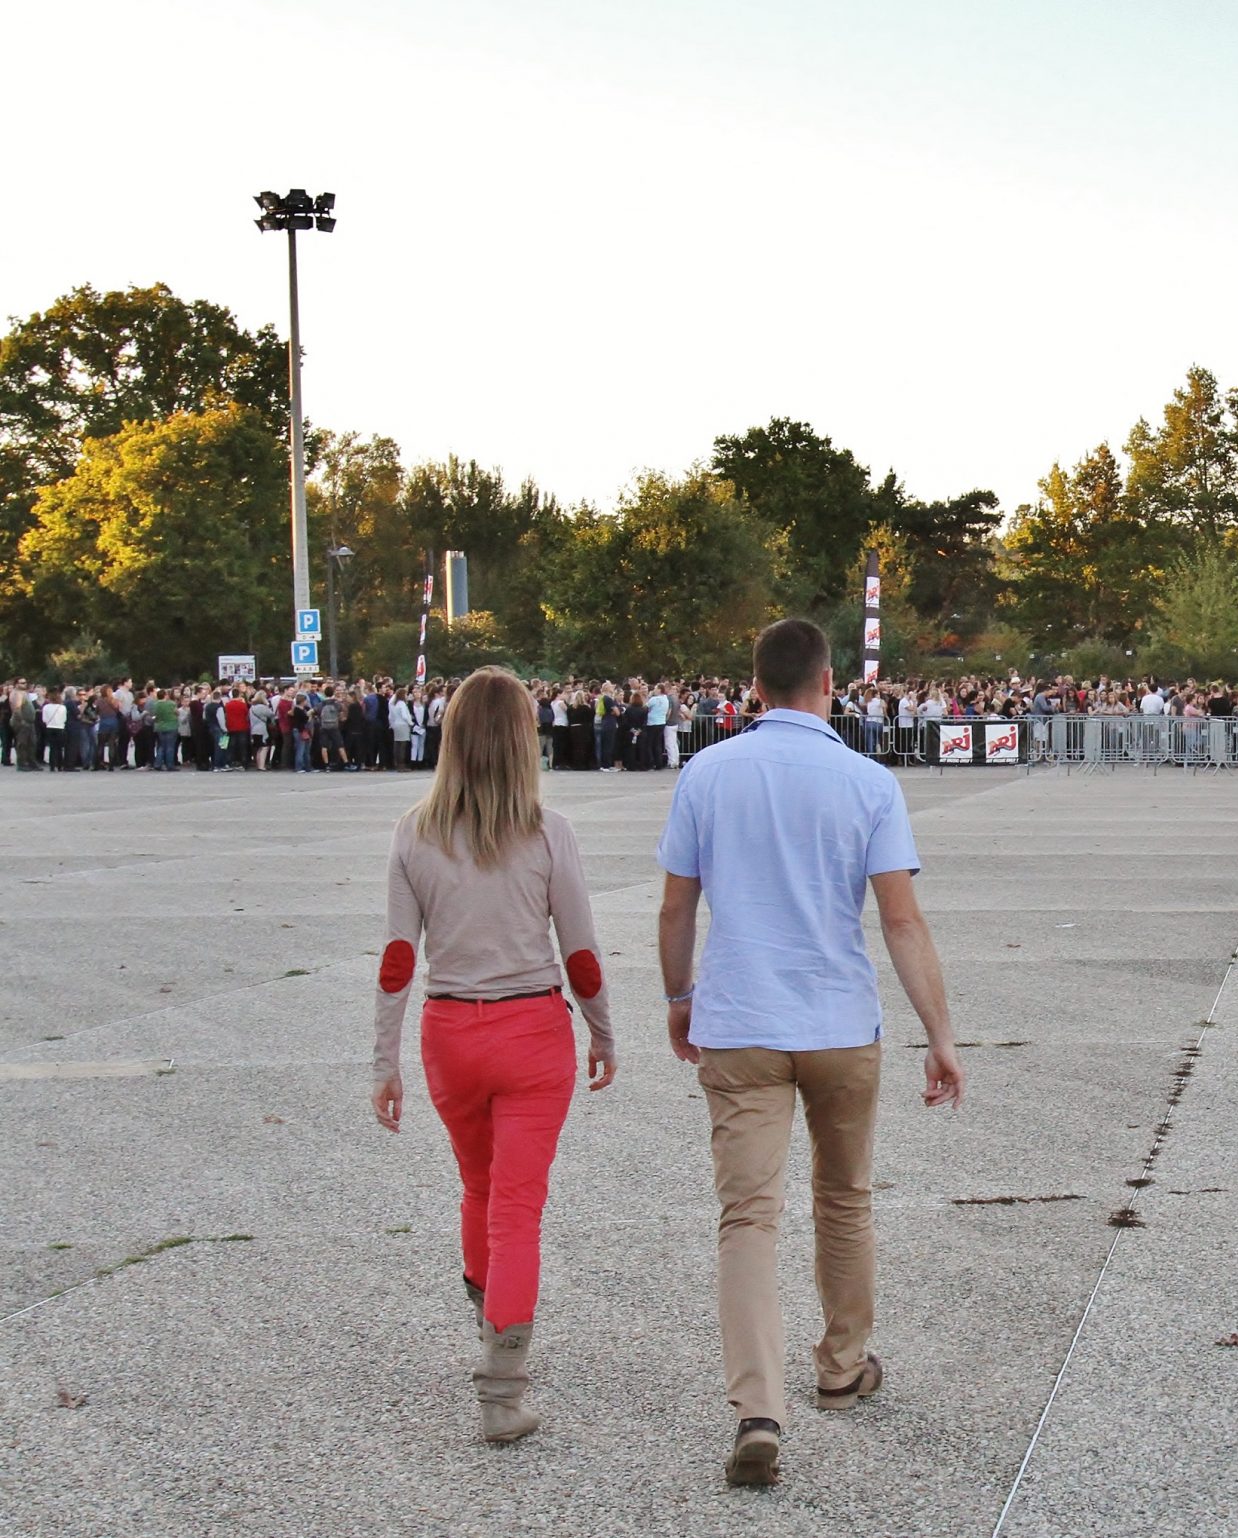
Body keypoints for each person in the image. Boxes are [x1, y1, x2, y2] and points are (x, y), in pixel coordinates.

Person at [654, 618, 964, 1489]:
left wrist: (679, 997)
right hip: (836, 1021)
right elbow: (900, 920)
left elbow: (678, 908)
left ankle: (759, 1407)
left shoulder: (706, 774)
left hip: (742, 1016)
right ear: (829, 681)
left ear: (755, 687)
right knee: (844, 1199)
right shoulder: (867, 781)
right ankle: (840, 1365)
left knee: (748, 1215)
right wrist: (939, 1036)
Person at [369, 666, 616, 1444]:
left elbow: (398, 959)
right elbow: (579, 952)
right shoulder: (548, 831)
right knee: (518, 1210)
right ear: (522, 742)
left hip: (450, 1033)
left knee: (478, 1190)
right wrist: (604, 1029)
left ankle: (493, 1321)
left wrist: (386, 1060)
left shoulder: (415, 830)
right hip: (533, 1034)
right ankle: (502, 1390)